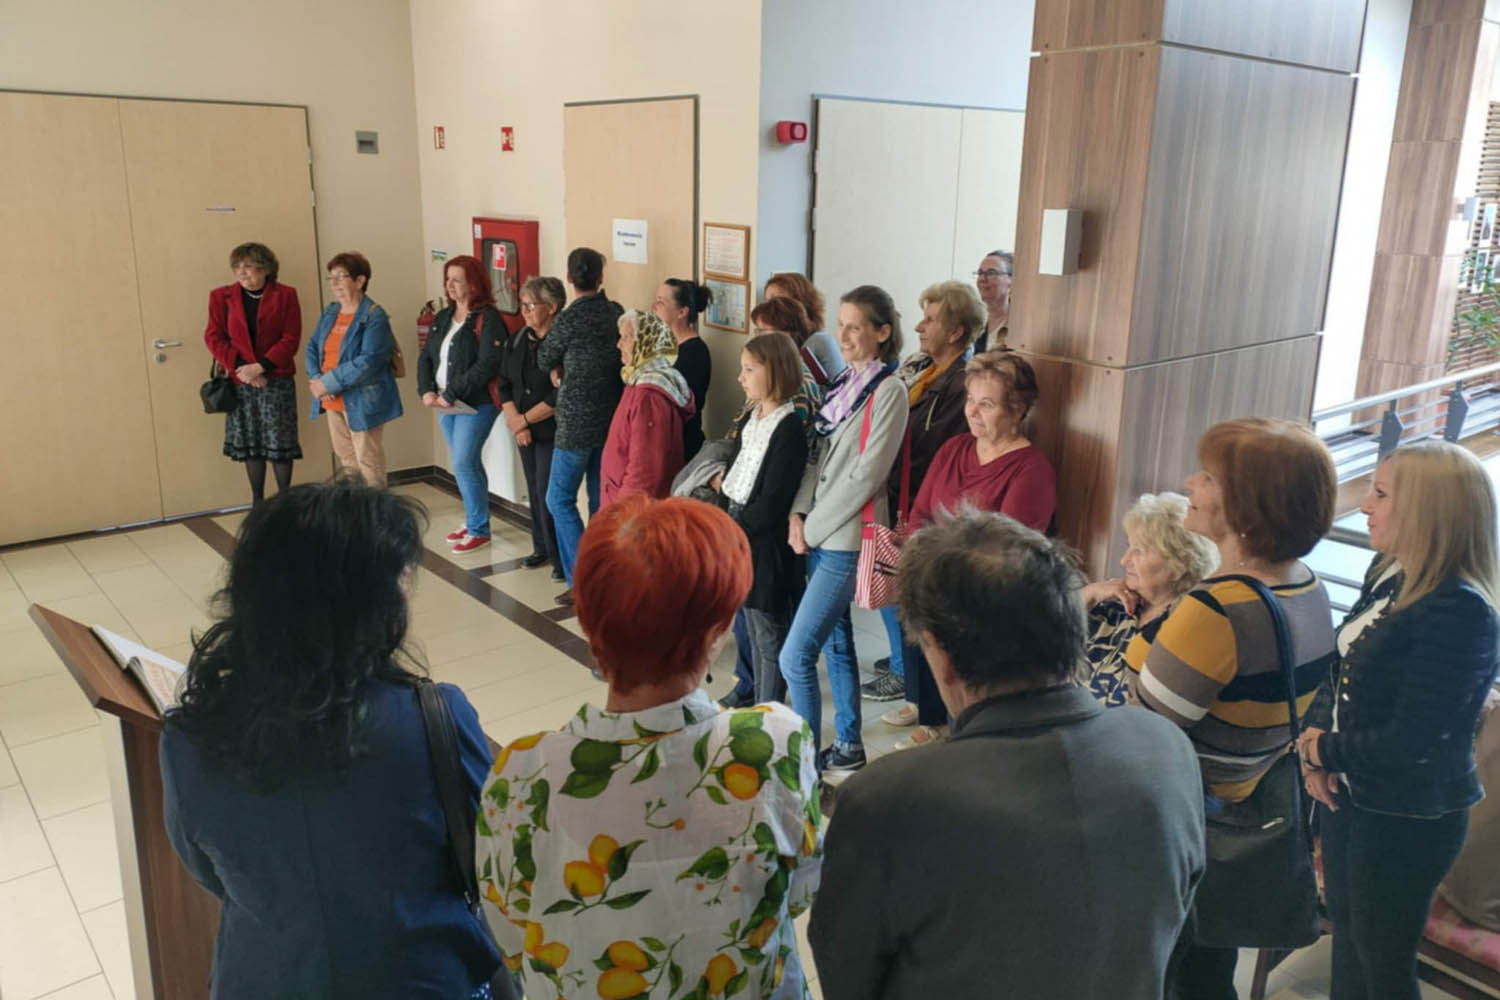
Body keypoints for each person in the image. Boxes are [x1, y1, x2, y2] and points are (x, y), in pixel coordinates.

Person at [809, 509, 1205, 999]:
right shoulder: (1167, 749)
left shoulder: (884, 800)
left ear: (941, 655)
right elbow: (1175, 939)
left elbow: (848, 977)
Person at [161, 481, 502, 998]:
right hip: (422, 980)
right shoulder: (436, 717)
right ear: (364, 605)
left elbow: (208, 871)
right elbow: (487, 856)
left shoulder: (187, 738)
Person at [475, 495, 822, 1000]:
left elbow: (509, 936)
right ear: (718, 631)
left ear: (587, 624)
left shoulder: (523, 777)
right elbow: (799, 892)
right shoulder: (772, 745)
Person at [1126, 418, 1338, 998]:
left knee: (1168, 973)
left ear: (1247, 504)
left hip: (1181, 826)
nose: (1190, 484)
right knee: (1208, 973)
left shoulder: (1216, 610)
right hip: (1239, 807)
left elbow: (1140, 736)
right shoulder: (1308, 586)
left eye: (1208, 476)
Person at [1297, 441, 1500, 999]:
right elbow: (1342, 664)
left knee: (1382, 965)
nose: (1365, 505)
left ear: (1428, 511)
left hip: (1408, 816)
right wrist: (1318, 753)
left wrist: (1320, 750)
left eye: (1381, 494)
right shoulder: (1390, 569)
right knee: (1348, 942)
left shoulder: (1461, 611)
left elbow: (1412, 742)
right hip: (1353, 794)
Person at [884, 350, 1058, 748]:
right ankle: (931, 719)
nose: (972, 412)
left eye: (987, 404)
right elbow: (920, 513)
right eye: (969, 399)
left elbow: (1006, 554)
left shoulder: (1032, 469)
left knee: (970, 715)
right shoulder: (954, 448)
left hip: (982, 609)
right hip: (933, 585)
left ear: (1018, 410)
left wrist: (936, 562)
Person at [781, 285, 909, 773]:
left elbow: (867, 476)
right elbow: (817, 455)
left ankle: (804, 765)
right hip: (817, 530)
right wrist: (797, 513)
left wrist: (810, 528)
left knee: (796, 656)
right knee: (836, 643)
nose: (844, 335)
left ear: (883, 332)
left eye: (856, 327)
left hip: (844, 538)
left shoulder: (890, 390)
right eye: (841, 324)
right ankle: (849, 745)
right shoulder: (844, 382)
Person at [865, 281, 986, 708]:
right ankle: (906, 669)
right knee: (892, 587)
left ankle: (913, 686)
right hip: (898, 493)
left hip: (923, 504)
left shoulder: (961, 384)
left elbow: (934, 451)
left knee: (911, 598)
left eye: (930, 320)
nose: (918, 327)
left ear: (956, 332)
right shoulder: (920, 367)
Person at [721, 301, 826, 710]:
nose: (741, 377)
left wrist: (733, 528)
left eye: (749, 369)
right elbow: (734, 472)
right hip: (740, 535)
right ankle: (758, 705)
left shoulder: (788, 427)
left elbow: (772, 502)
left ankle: (769, 713)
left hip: (765, 547)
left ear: (775, 372)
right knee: (749, 626)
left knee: (769, 637)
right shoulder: (753, 418)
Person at [539, 248, 625, 598]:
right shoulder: (615, 312)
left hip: (575, 423)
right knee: (599, 502)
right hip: (611, 420)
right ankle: (605, 576)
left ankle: (582, 579)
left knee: (558, 499)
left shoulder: (567, 320)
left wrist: (559, 366)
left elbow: (545, 356)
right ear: (601, 277)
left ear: (569, 279)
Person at [1080, 492, 1218, 708]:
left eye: (1139, 551)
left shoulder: (1186, 627)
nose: (1124, 560)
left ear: (1179, 565)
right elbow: (1034, 637)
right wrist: (1087, 594)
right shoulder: (1110, 603)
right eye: (1128, 547)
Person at [416, 255, 506, 554]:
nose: (449, 285)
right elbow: (427, 357)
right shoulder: (444, 317)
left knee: (464, 462)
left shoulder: (488, 319)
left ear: (474, 284)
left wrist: (452, 391)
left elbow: (488, 364)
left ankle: (479, 529)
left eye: (457, 280)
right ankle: (473, 519)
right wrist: (426, 390)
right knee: (465, 463)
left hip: (476, 403)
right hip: (445, 402)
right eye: (447, 279)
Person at [203, 242, 303, 505]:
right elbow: (213, 337)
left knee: (280, 444)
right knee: (252, 444)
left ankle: (284, 503)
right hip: (240, 382)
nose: (241, 272)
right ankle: (257, 502)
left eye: (248, 266)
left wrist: (261, 367)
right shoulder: (221, 297)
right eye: (237, 266)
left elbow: (291, 338)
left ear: (265, 268)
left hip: (276, 380)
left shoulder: (286, 295)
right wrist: (243, 369)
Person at [304, 252, 403, 488]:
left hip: (362, 398)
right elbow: (312, 347)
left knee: (368, 460)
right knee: (346, 458)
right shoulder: (331, 311)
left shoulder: (374, 316)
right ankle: (355, 505)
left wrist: (327, 383)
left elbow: (369, 361)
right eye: (331, 277)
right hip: (330, 397)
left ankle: (376, 507)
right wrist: (317, 379)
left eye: (341, 276)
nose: (334, 283)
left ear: (360, 281)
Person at [500, 276, 565, 580]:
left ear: (552, 307)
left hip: (552, 430)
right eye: (522, 304)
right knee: (533, 488)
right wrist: (517, 423)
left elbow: (559, 396)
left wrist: (524, 420)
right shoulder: (517, 340)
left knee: (547, 491)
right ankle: (541, 547)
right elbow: (504, 385)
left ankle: (559, 557)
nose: (524, 310)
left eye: (531, 304)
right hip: (523, 428)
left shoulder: (561, 343)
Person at [598, 310, 694, 508]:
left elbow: (644, 471)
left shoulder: (649, 396)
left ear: (645, 343)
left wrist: (620, 514)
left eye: (626, 338)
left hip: (633, 512)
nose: (619, 344)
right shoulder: (638, 380)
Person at [654, 278, 714, 461]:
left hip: (681, 446)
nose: (654, 307)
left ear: (682, 312)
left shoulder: (695, 353)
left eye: (661, 302)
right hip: (660, 442)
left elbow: (681, 405)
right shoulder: (663, 343)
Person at [765, 272, 845, 386]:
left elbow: (840, 390)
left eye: (777, 301)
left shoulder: (820, 341)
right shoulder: (781, 341)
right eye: (768, 301)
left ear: (801, 302)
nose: (770, 308)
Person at [972, 250, 1013, 353]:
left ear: (1012, 280)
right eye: (980, 273)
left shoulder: (1020, 324)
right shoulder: (970, 320)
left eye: (991, 273)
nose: (982, 279)